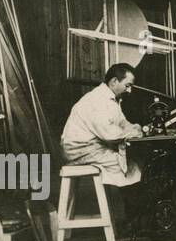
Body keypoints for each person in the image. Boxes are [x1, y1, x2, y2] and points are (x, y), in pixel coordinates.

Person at [61, 63, 146, 230]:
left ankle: (134, 218)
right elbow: (110, 134)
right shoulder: (97, 100)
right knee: (126, 165)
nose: (129, 90)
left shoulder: (111, 99)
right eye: (127, 85)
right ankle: (135, 220)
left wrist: (133, 128)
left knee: (129, 162)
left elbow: (122, 122)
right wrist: (135, 132)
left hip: (92, 145)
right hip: (79, 149)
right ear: (114, 81)